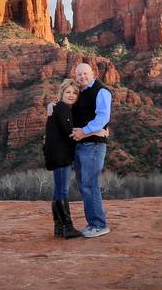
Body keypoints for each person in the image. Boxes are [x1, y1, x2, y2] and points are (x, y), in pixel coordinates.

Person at [43, 79, 109, 239]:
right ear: (62, 93)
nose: (71, 95)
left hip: (57, 154)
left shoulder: (61, 107)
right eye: (68, 92)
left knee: (58, 190)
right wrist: (97, 132)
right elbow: (71, 133)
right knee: (62, 190)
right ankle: (67, 227)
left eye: (75, 93)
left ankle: (59, 228)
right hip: (61, 155)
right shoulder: (63, 108)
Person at [69, 62, 112, 238]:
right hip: (81, 145)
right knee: (84, 184)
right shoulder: (81, 92)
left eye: (85, 74)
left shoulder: (101, 90)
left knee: (90, 184)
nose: (82, 77)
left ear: (92, 73)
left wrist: (84, 132)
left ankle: (99, 225)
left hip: (93, 145)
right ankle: (92, 223)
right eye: (79, 75)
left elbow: (103, 117)